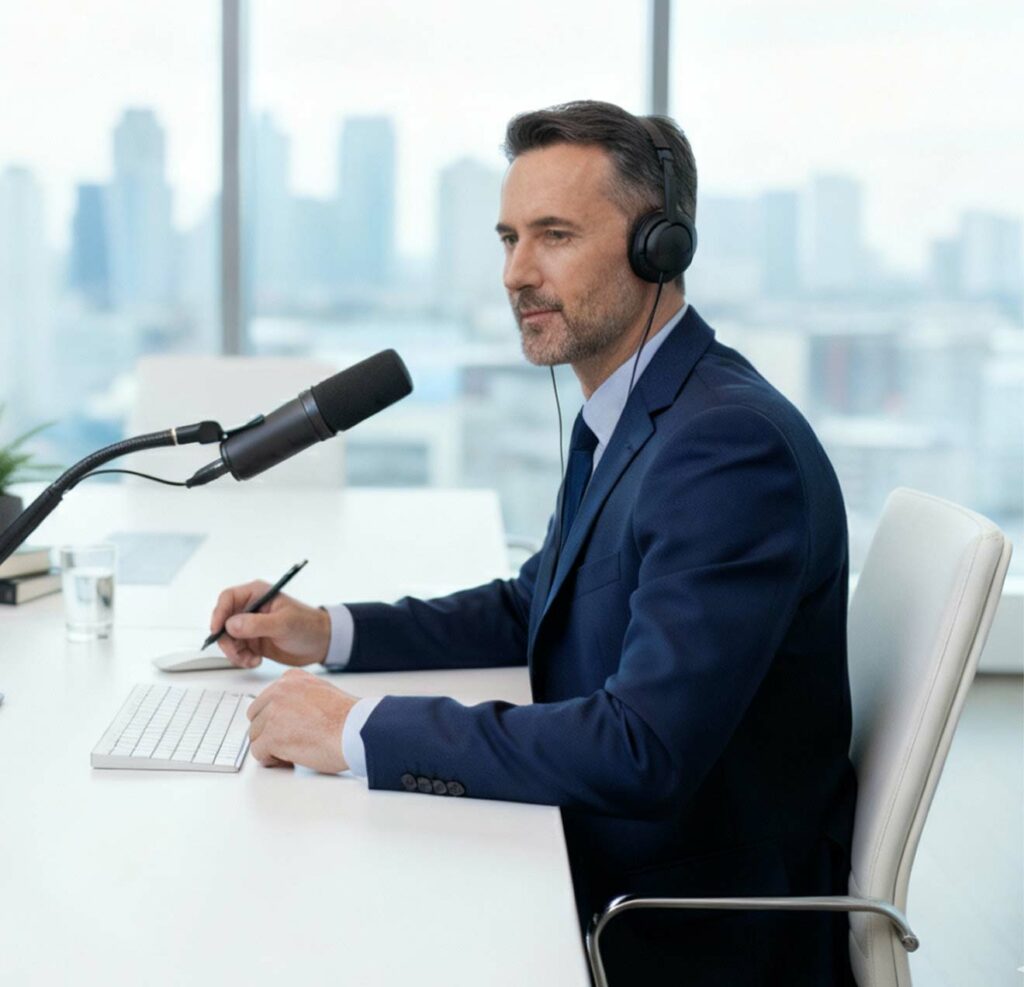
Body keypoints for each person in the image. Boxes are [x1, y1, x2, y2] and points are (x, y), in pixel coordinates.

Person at [211, 101, 857, 985]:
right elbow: (535, 607)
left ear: (658, 249)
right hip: (599, 856)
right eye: (509, 236)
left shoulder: (725, 447)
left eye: (554, 235)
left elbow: (643, 749)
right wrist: (327, 631)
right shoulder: (632, 415)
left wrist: (355, 728)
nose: (517, 271)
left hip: (678, 924)